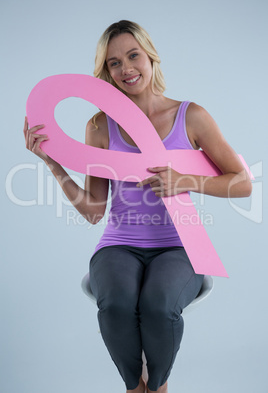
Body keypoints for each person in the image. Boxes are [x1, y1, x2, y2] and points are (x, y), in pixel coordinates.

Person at [24, 20, 252, 393]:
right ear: (106, 72)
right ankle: (134, 387)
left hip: (179, 245)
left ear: (151, 57)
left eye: (133, 56)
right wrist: (53, 163)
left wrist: (185, 182)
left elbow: (242, 183)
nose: (126, 68)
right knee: (115, 306)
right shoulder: (99, 126)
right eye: (114, 63)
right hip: (119, 245)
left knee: (158, 306)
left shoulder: (190, 116)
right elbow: (94, 210)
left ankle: (158, 386)